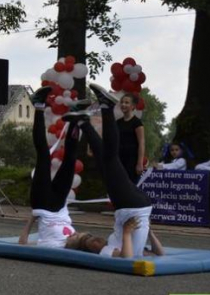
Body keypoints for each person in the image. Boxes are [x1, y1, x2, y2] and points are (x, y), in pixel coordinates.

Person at [64, 84, 164, 258]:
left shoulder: (110, 245)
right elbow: (129, 258)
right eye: (81, 237)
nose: (93, 239)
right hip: (133, 208)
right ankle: (106, 106)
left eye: (86, 237)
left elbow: (159, 254)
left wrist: (145, 232)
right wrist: (140, 232)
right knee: (109, 158)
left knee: (104, 158)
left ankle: (82, 121)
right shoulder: (107, 251)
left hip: (134, 207)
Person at [17, 87, 79, 248]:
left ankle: (38, 105)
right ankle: (76, 117)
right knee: (70, 160)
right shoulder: (75, 236)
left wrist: (31, 220)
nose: (78, 236)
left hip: (42, 204)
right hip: (59, 205)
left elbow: (22, 243)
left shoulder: (52, 246)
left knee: (44, 157)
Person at [117, 93, 145, 183]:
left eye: (126, 102)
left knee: (130, 186)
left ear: (132, 106)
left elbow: (141, 143)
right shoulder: (117, 122)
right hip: (119, 158)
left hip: (132, 160)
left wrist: (139, 163)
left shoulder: (137, 123)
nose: (123, 104)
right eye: (122, 102)